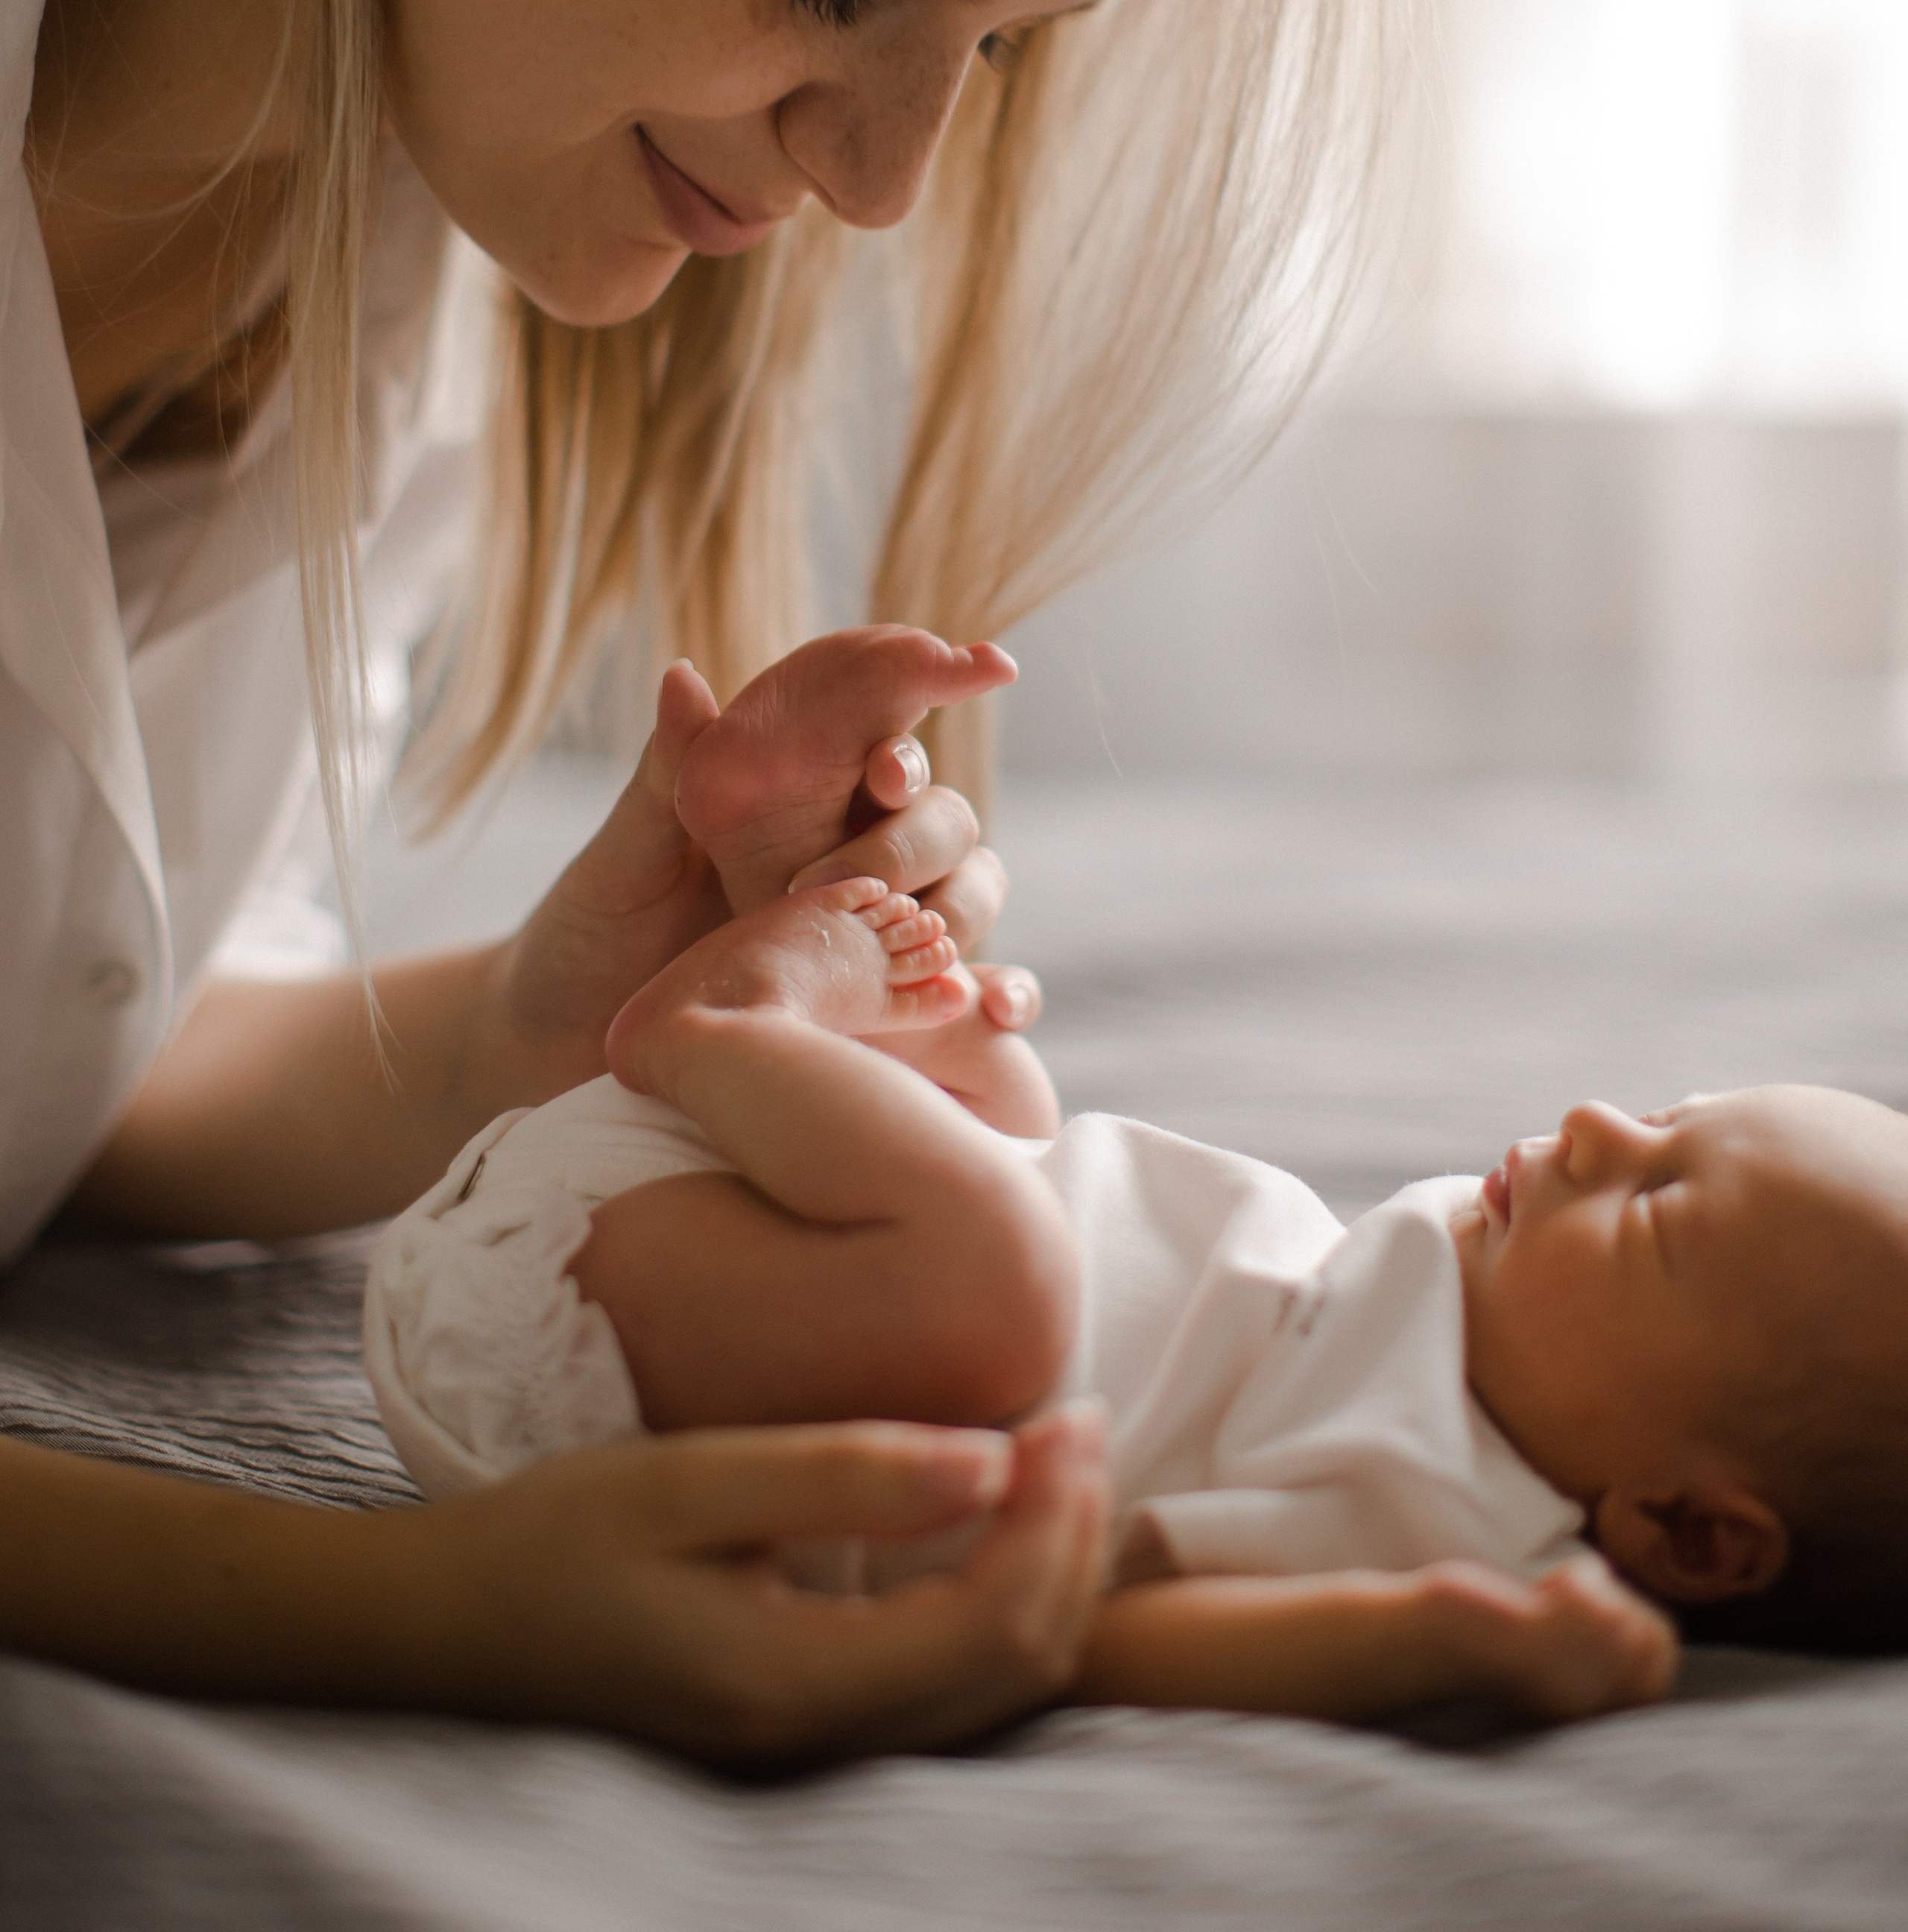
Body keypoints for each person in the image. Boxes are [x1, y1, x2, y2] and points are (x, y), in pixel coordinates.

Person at [0, 0, 1408, 1763]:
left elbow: (87, 1052)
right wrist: (430, 1616)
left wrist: (558, 1013)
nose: (885, 181)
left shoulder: (399, 185)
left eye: (990, 48)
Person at [366, 635, 1908, 1717]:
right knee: (1015, 1110)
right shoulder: (1436, 1282)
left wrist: (1423, 1642)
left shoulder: (1445, 1514)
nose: (1588, 1126)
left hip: (563, 1361)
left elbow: (1104, 1636)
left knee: (1011, 1285)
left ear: (1686, 1533)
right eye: (1661, 1114)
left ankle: (727, 1020)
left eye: (1652, 1212)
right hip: (656, 1222)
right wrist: (963, 1083)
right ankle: (802, 906)